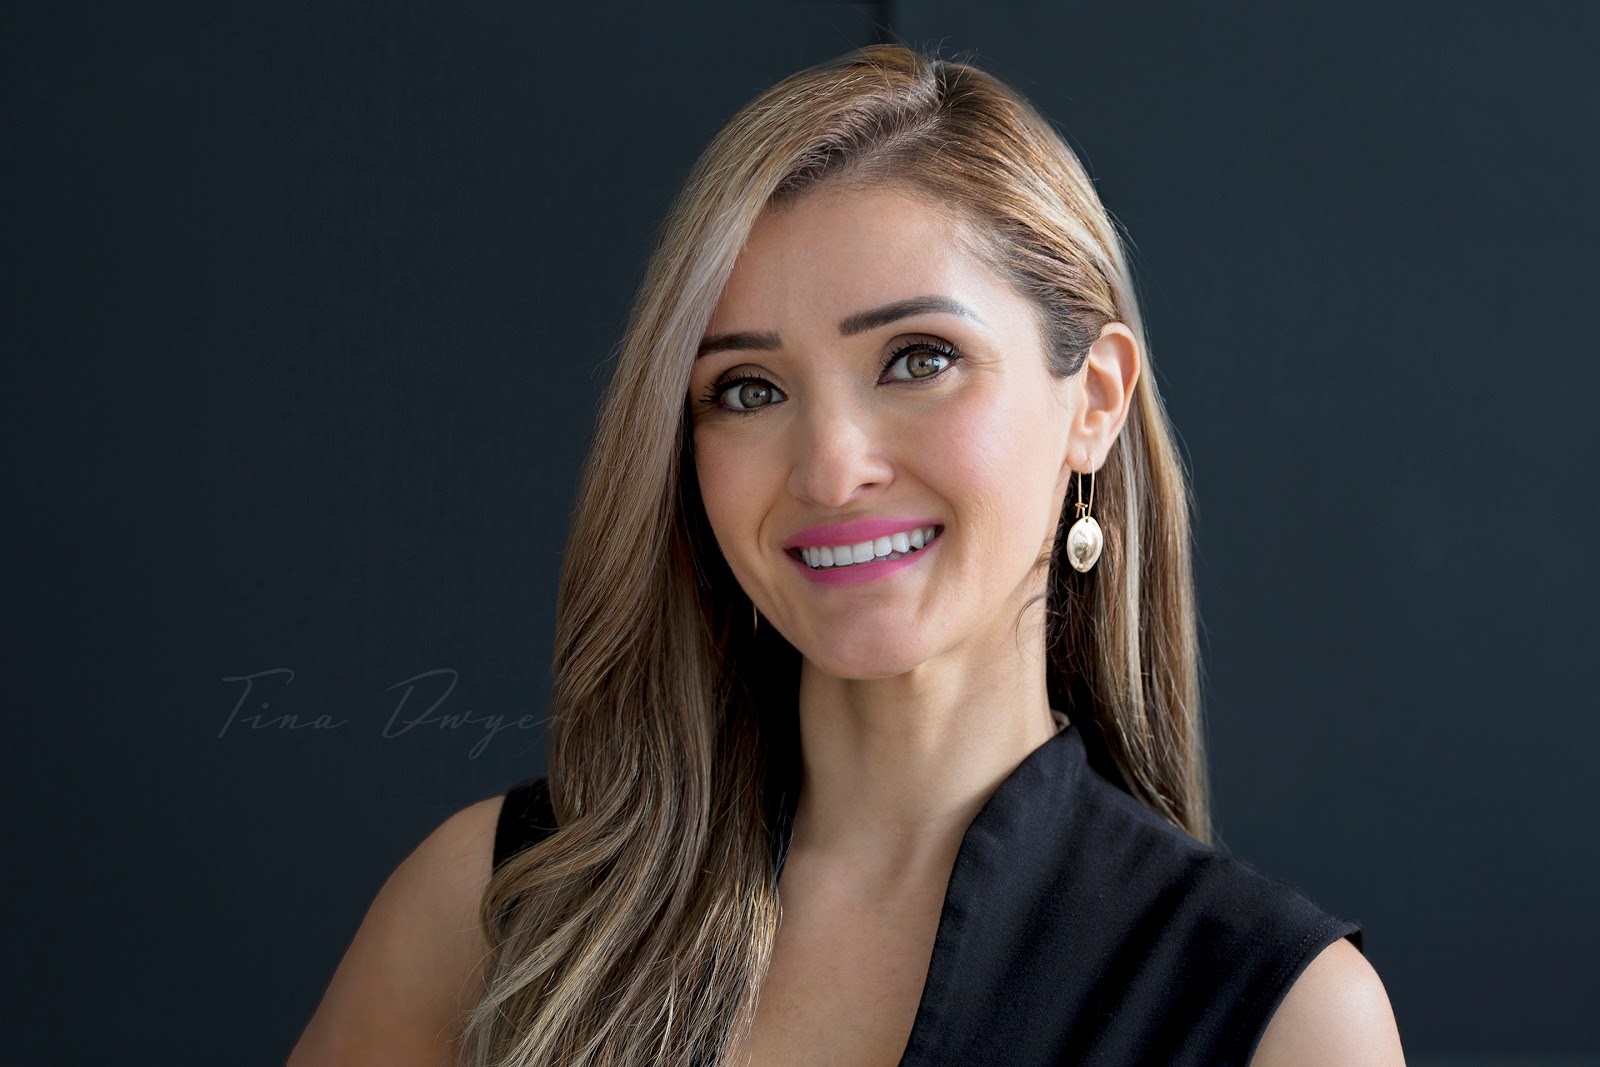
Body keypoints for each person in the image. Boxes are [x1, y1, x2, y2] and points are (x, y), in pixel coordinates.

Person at [287, 44, 1406, 1067]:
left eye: (918, 359)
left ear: (1095, 401)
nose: (828, 470)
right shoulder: (489, 912)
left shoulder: (1282, 1017)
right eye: (748, 389)